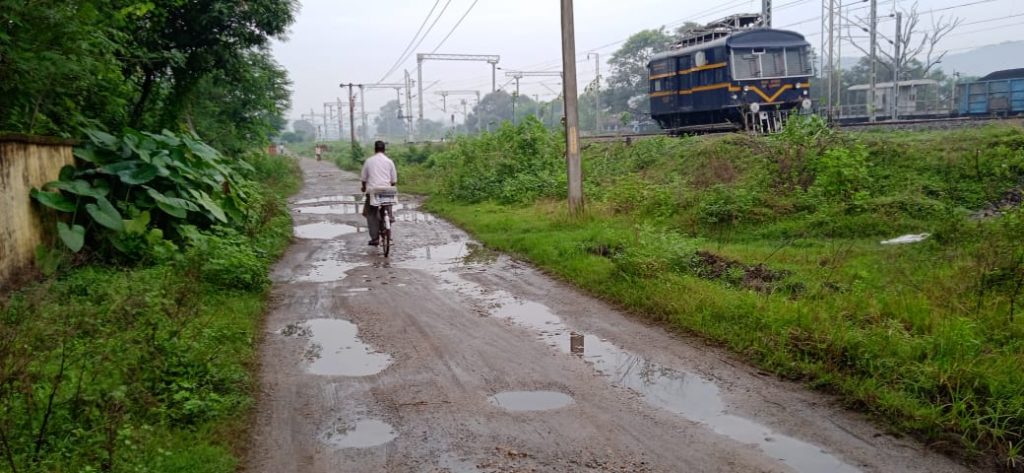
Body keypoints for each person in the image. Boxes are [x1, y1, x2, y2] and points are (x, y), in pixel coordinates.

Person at [360, 140, 398, 246]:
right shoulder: (389, 161)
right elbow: (394, 180)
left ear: (375, 149)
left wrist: (363, 187)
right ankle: (388, 230)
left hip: (373, 191)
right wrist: (390, 186)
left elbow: (364, 178)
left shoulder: (369, 161)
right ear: (384, 149)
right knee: (388, 211)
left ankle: (375, 238)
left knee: (371, 214)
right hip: (387, 190)